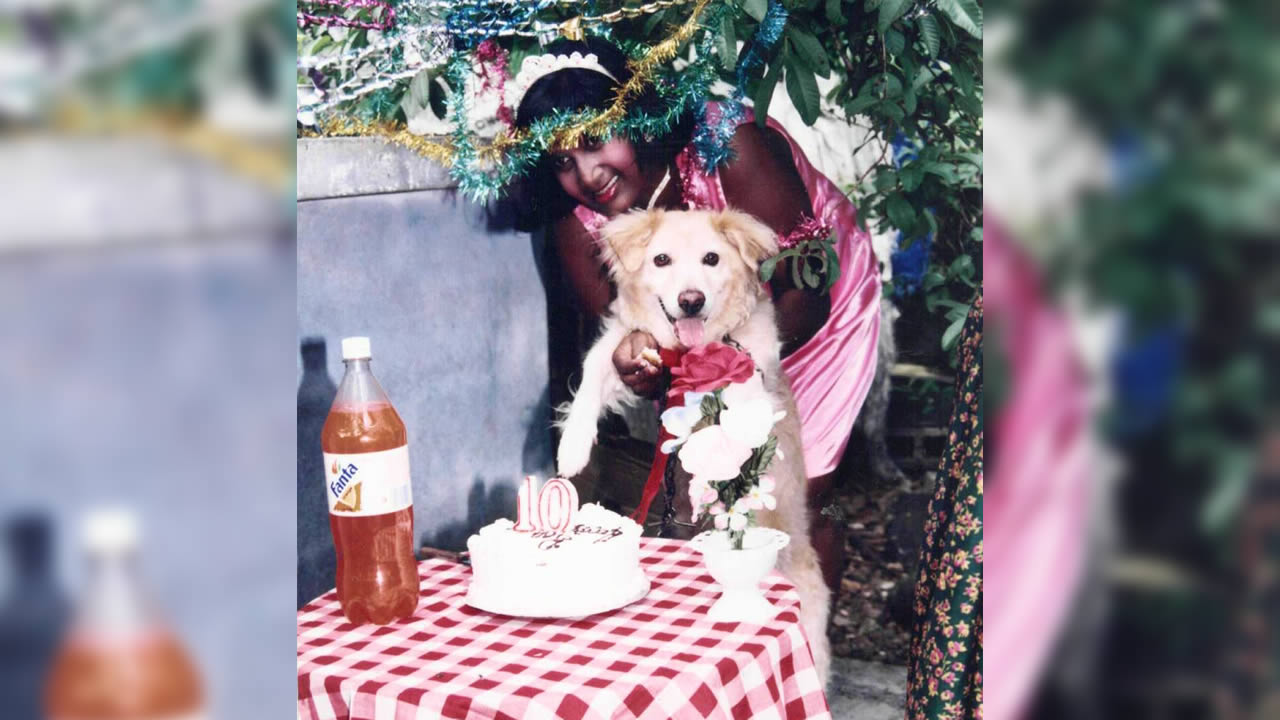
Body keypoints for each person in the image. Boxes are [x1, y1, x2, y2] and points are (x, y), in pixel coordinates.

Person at [514, 37, 881, 593]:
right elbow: (634, 340)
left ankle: (801, 650)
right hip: (710, 346)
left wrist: (734, 366)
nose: (587, 175)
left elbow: (806, 288)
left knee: (798, 491)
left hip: (812, 314)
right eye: (563, 161)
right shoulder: (579, 225)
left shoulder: (726, 142)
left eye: (594, 141)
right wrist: (642, 365)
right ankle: (734, 648)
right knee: (721, 494)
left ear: (634, 116)